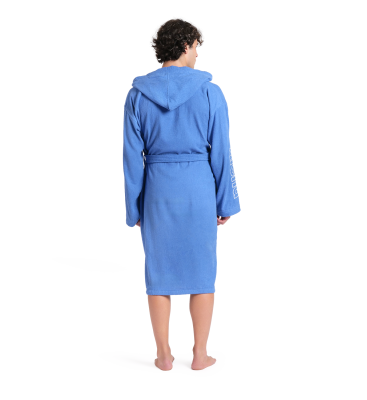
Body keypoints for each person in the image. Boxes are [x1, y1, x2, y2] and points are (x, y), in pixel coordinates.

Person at [123, 16, 240, 371]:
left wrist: (134, 209)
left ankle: (163, 355)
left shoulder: (137, 94)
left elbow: (131, 160)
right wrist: (225, 202)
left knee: (157, 274)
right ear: (185, 45)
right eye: (197, 48)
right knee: (203, 273)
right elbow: (222, 154)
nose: (198, 55)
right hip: (198, 190)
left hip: (157, 192)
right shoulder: (210, 92)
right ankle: (200, 355)